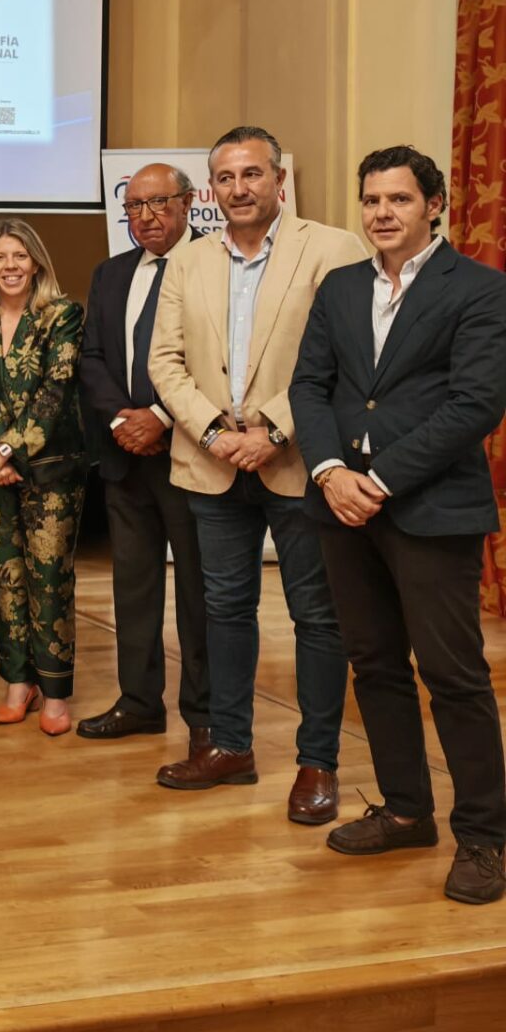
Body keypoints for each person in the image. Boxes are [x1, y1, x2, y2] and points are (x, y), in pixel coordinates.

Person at [290, 146, 506, 904]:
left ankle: (485, 836)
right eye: (372, 200)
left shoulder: (480, 288)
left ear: (434, 205)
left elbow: (475, 404)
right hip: (340, 505)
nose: (382, 213)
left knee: (453, 675)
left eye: (400, 199)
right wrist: (330, 471)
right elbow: (308, 385)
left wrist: (378, 480)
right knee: (375, 664)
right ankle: (407, 810)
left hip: (430, 510)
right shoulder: (341, 286)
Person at [149, 125, 361, 824]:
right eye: (226, 178)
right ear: (212, 190)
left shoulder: (331, 249)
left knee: (316, 616)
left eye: (252, 174)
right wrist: (216, 433)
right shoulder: (189, 260)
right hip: (211, 463)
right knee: (224, 610)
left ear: (279, 179)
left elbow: (343, 357)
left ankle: (318, 762)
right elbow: (164, 362)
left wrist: (271, 430)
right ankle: (230, 747)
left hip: (297, 461)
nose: (239, 188)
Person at [76, 164, 209, 748]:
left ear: (188, 203)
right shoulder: (111, 273)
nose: (145, 216)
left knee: (199, 592)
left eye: (158, 203)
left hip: (191, 454)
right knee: (133, 587)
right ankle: (139, 702)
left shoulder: (215, 265)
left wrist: (160, 416)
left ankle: (205, 714)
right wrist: (122, 420)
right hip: (125, 457)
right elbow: (92, 357)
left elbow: (217, 360)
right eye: (134, 206)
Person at [0, 219, 87, 735]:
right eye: (0, 257)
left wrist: (6, 450)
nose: (10, 267)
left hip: (50, 474)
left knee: (48, 581)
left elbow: (56, 391)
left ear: (36, 262)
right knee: (5, 579)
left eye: (19, 257)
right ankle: (18, 683)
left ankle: (55, 693)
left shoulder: (62, 315)